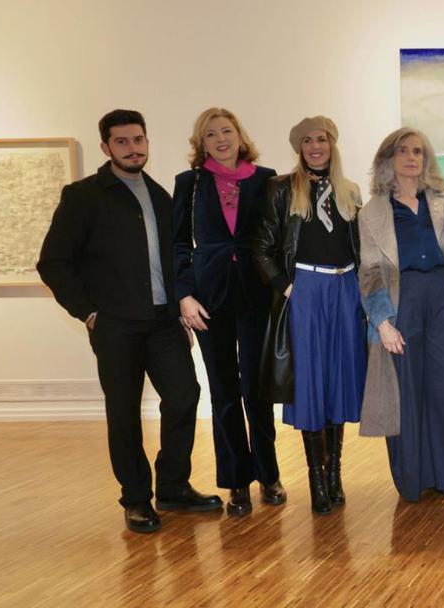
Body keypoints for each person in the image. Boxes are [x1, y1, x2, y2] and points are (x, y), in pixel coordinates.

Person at [38, 109, 220, 533]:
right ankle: (136, 498)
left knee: (185, 396)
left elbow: (176, 258)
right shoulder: (83, 196)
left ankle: (173, 487)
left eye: (139, 140)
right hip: (115, 324)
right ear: (106, 147)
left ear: (147, 142)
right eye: (122, 142)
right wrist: (89, 311)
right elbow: (53, 262)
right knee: (123, 413)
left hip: (162, 322)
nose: (133, 148)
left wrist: (180, 306)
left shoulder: (161, 196)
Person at [172, 107, 284, 516]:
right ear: (201, 144)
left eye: (226, 131)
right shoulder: (190, 183)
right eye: (210, 135)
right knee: (223, 391)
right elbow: (179, 245)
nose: (220, 139)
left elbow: (276, 241)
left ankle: (269, 474)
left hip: (256, 298)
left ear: (240, 135)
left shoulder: (266, 179)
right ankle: (237, 480)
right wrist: (184, 295)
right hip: (208, 301)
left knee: (257, 390)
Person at [252, 116, 364, 515]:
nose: (315, 147)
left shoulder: (350, 192)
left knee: (337, 383)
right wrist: (288, 287)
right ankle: (316, 482)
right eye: (307, 142)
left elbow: (361, 248)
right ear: (298, 148)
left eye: (322, 140)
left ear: (333, 144)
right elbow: (261, 248)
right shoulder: (282, 190)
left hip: (345, 291)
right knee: (311, 387)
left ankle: (335, 476)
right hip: (306, 292)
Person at [359, 127, 444, 502]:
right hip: (399, 302)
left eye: (418, 151)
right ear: (389, 158)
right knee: (404, 392)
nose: (411, 157)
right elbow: (371, 271)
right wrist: (382, 321)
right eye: (403, 151)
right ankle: (413, 479)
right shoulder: (372, 211)